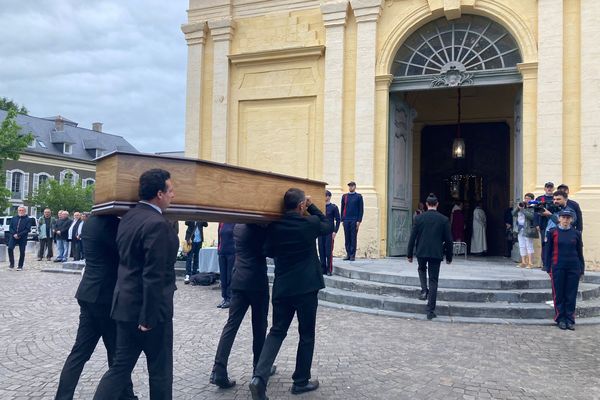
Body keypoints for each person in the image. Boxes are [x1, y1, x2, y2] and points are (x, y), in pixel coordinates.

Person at [93, 168, 178, 400]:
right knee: (160, 372)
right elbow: (154, 275)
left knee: (119, 368)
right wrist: (148, 317)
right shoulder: (158, 224)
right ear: (159, 194)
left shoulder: (128, 217)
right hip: (149, 312)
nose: (174, 195)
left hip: (123, 306)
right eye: (170, 190)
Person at [249, 188, 332, 400]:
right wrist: (312, 206)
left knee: (276, 331)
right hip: (306, 288)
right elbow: (327, 224)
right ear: (301, 205)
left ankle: (259, 377)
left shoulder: (275, 227)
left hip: (283, 287)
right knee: (306, 335)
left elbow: (266, 250)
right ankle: (300, 381)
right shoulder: (309, 224)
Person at [55, 215, 138, 400]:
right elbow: (125, 253)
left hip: (88, 293)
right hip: (104, 297)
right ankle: (126, 396)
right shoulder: (112, 224)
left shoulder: (90, 221)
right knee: (117, 352)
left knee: (79, 353)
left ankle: (62, 397)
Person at [210, 224, 275, 389]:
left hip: (238, 279)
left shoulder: (238, 227)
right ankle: (259, 370)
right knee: (259, 327)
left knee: (231, 325)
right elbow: (270, 251)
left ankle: (218, 368)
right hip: (256, 282)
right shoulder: (262, 229)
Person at [406, 193, 453, 320]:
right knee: (433, 280)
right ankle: (430, 311)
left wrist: (409, 254)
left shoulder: (419, 218)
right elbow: (449, 240)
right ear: (437, 204)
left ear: (426, 205)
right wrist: (449, 257)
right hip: (436, 253)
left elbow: (412, 237)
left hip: (421, 251)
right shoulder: (443, 219)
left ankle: (423, 289)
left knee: (421, 269)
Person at [543, 210, 585, 330]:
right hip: (558, 266)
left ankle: (570, 319)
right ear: (559, 218)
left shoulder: (576, 233)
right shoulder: (553, 232)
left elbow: (579, 252)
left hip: (573, 267)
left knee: (571, 294)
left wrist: (582, 268)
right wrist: (547, 266)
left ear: (571, 219)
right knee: (559, 294)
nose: (565, 220)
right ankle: (560, 318)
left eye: (568, 218)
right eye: (563, 217)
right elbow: (548, 251)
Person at [318, 190, 340, 276]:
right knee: (321, 250)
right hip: (321, 231)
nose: (324, 197)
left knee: (328, 251)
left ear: (329, 197)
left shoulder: (334, 207)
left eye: (325, 195)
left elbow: (338, 220)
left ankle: (329, 269)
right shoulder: (320, 207)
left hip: (329, 232)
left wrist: (335, 231)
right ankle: (322, 268)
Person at [512, 193, 537, 268]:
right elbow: (513, 213)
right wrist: (518, 208)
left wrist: (523, 210)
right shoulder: (522, 206)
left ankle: (530, 262)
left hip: (528, 228)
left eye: (528, 198)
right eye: (525, 198)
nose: (526, 200)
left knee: (529, 245)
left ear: (532, 199)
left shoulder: (533, 207)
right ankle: (523, 262)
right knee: (521, 245)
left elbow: (532, 217)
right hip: (520, 228)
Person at [340, 181, 363, 261]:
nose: (350, 187)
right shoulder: (344, 196)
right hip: (346, 219)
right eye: (349, 186)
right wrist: (342, 219)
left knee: (353, 238)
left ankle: (352, 255)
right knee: (347, 237)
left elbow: (361, 209)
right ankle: (348, 254)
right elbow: (342, 208)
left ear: (355, 187)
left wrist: (359, 221)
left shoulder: (358, 197)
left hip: (354, 220)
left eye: (352, 186)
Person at [534, 182, 555, 265]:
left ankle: (553, 262)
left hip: (554, 223)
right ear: (544, 188)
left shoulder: (556, 198)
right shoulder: (540, 198)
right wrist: (536, 224)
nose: (549, 189)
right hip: (543, 224)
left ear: (553, 188)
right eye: (547, 187)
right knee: (544, 243)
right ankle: (545, 262)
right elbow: (535, 212)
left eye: (551, 187)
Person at [217, 222, 236, 308]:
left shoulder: (234, 222)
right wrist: (218, 249)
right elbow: (219, 237)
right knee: (223, 277)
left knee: (230, 276)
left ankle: (230, 298)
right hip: (222, 253)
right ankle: (224, 297)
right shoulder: (221, 223)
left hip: (232, 253)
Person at [183, 220, 208, 284]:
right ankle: (188, 275)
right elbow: (186, 223)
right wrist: (191, 216)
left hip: (199, 241)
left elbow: (206, 225)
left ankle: (194, 274)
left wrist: (202, 217)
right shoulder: (191, 219)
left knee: (196, 258)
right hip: (191, 241)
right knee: (189, 258)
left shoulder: (200, 219)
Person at [7, 205, 32, 271]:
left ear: (25, 211)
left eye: (22, 210)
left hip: (22, 237)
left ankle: (20, 265)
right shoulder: (14, 218)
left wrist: (19, 235)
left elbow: (27, 229)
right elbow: (10, 227)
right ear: (18, 211)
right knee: (10, 248)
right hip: (13, 236)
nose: (21, 211)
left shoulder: (28, 219)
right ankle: (11, 264)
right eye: (19, 210)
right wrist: (14, 234)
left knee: (22, 251)